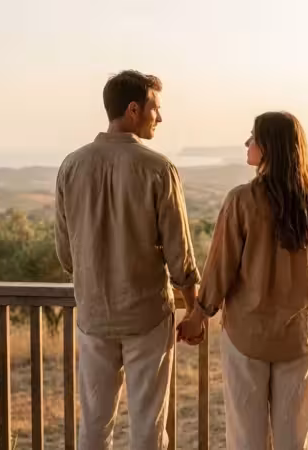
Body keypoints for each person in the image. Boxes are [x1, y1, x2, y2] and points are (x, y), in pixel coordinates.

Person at [55, 70, 200, 450]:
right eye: (156, 108)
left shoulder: (71, 167)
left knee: (94, 425)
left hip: (93, 316)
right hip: (147, 317)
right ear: (134, 109)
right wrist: (195, 310)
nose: (160, 118)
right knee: (148, 426)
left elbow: (66, 255)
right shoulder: (158, 169)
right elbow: (180, 256)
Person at [178, 111, 308, 450]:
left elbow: (220, 268)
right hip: (295, 338)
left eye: (253, 137)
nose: (247, 143)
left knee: (246, 438)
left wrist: (198, 315)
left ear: (270, 147)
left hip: (245, 338)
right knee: (294, 438)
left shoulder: (242, 200)